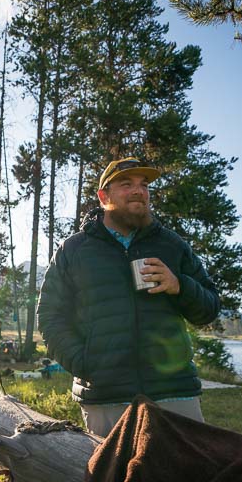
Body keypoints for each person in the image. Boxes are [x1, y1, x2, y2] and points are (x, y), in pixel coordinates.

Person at [37, 157, 220, 437]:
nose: (138, 191)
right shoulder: (73, 250)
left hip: (175, 392)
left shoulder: (172, 245)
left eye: (144, 185)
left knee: (186, 477)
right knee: (114, 478)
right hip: (106, 396)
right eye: (126, 184)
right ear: (103, 196)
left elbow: (209, 308)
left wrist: (179, 285)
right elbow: (50, 317)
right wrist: (86, 365)